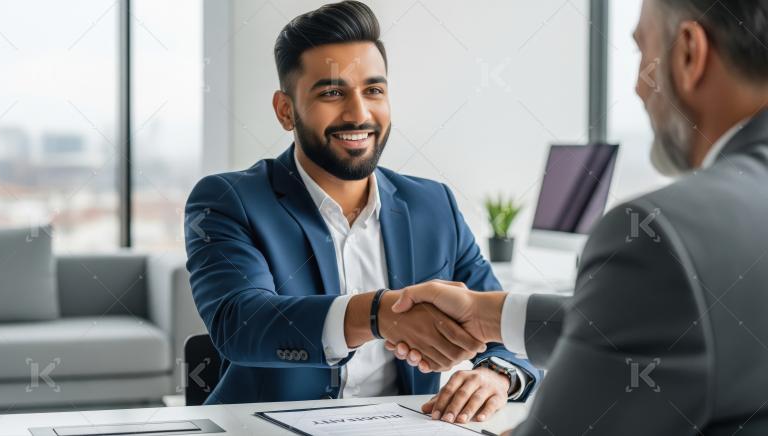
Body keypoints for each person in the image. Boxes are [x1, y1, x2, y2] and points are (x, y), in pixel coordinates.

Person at [386, 0, 768, 433]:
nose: (640, 88)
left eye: (643, 52)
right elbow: (663, 321)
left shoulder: (664, 235)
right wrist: (490, 313)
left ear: (688, 53)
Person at [184, 0, 539, 415]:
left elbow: (506, 324)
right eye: (332, 93)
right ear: (286, 111)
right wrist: (377, 314)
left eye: (373, 90)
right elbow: (241, 323)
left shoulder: (432, 205)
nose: (359, 113)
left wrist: (495, 375)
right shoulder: (229, 200)